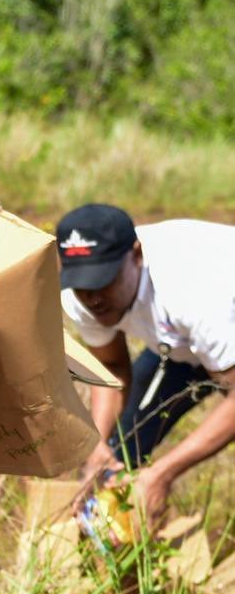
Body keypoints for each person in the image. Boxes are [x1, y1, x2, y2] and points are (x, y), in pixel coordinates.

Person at [57, 204, 235, 524]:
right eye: (81, 284)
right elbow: (112, 366)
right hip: (182, 348)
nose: (92, 297)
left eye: (102, 281)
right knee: (119, 449)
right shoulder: (81, 297)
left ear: (137, 255)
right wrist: (97, 444)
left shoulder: (193, 288)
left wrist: (163, 474)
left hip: (219, 325)